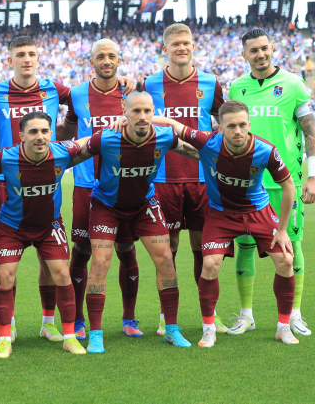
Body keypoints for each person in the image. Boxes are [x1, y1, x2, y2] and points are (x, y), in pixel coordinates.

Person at [0, 36, 135, 343]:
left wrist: (123, 81)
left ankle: (48, 322)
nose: (27, 59)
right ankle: (5, 324)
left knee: (49, 258)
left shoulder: (55, 89)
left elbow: (92, 93)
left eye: (31, 53)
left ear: (38, 58)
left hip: (46, 180)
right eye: (20, 54)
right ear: (11, 60)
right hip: (7, 185)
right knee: (1, 263)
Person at [151, 99, 299, 347]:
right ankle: (208, 328)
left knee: (285, 260)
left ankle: (283, 326)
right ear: (220, 128)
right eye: (231, 126)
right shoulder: (208, 142)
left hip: (258, 211)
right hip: (221, 214)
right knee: (209, 264)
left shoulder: (266, 150)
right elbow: (172, 124)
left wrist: (282, 230)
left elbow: (289, 186)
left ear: (249, 124)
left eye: (242, 125)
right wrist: (132, 119)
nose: (238, 131)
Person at [83, 89, 199, 354]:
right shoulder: (107, 137)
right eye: (136, 111)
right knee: (99, 263)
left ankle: (171, 329)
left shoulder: (165, 136)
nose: (143, 116)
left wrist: (222, 154)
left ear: (154, 112)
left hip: (144, 205)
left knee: (166, 258)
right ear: (124, 110)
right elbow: (75, 152)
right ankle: (96, 334)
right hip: (106, 206)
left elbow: (193, 151)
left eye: (147, 110)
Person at [228, 28, 315, 337]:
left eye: (264, 48)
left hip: (284, 182)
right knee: (244, 245)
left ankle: (294, 315)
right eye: (253, 50)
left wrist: (313, 175)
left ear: (272, 48)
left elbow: (310, 132)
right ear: (244, 55)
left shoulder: (293, 84)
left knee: (291, 244)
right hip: (246, 183)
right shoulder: (237, 87)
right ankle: (246, 315)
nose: (260, 54)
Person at [0, 111, 90, 358]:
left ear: (51, 133)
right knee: (5, 277)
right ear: (21, 135)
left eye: (44, 131)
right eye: (33, 132)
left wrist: (118, 122)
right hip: (12, 227)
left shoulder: (62, 152)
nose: (39, 136)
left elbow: (88, 141)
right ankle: (4, 338)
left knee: (62, 273)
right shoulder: (5, 158)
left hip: (49, 226)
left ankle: (68, 336)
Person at [143, 23, 226, 334]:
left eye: (186, 43)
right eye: (175, 43)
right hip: (164, 177)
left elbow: (223, 121)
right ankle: (167, 316)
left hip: (203, 179)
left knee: (204, 248)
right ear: (165, 48)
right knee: (169, 248)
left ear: (193, 46)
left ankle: (210, 314)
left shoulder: (211, 82)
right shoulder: (149, 83)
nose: (182, 47)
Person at [55, 38, 141, 340]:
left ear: (119, 60)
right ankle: (78, 320)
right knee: (81, 251)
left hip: (122, 183)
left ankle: (129, 318)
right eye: (100, 56)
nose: (106, 61)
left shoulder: (132, 91)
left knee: (125, 249)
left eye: (111, 56)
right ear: (91, 62)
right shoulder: (77, 94)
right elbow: (69, 129)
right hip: (85, 184)